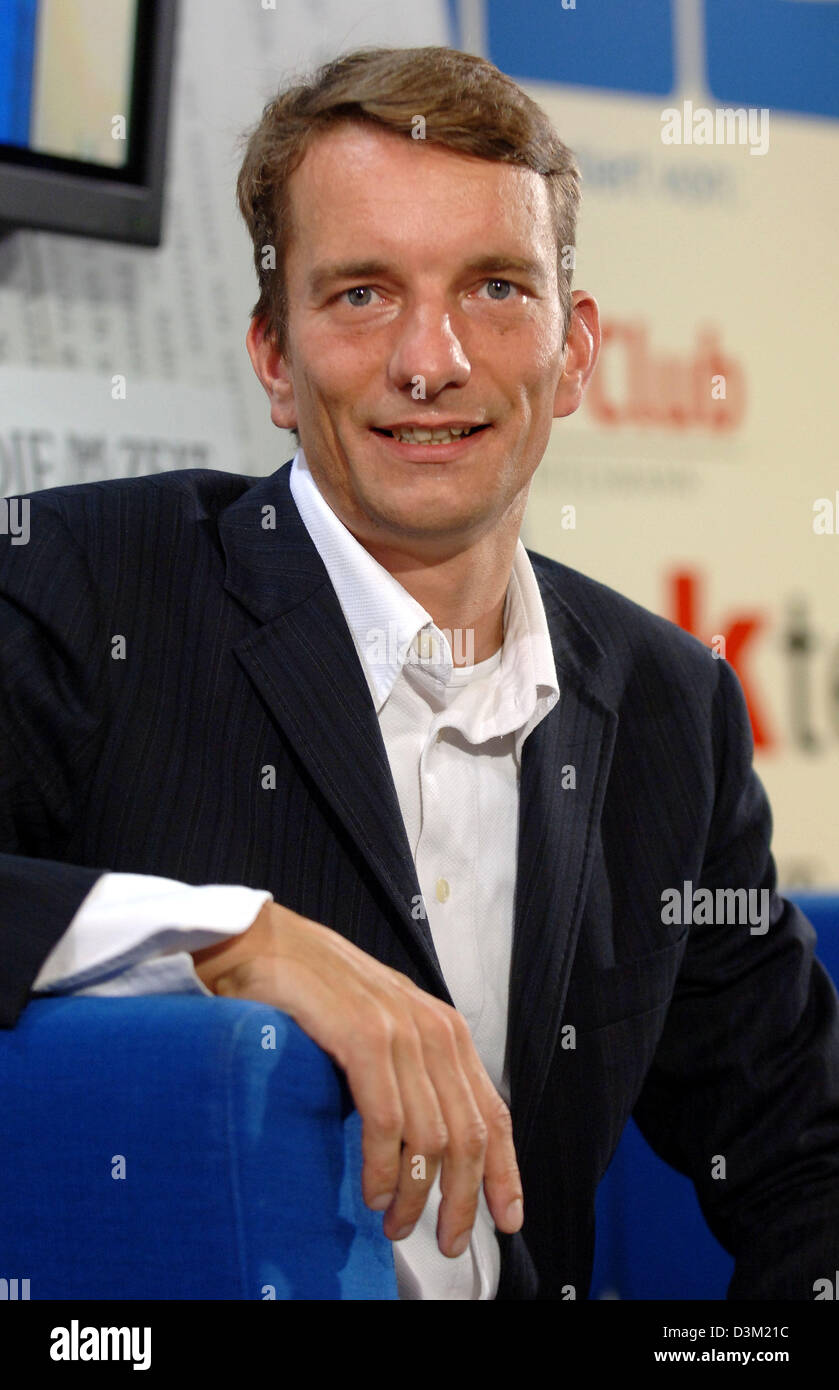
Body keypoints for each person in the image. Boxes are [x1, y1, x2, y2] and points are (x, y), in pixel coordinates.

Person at [1, 45, 838, 1302]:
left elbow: (802, 1165)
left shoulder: (669, 705)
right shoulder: (75, 583)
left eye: (495, 288)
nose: (429, 359)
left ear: (573, 352)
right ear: (275, 360)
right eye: (360, 295)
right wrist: (236, 938)